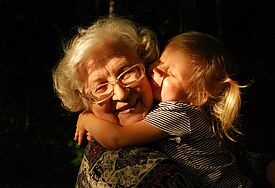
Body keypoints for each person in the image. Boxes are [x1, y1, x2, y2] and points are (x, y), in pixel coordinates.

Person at [75, 31, 252, 187]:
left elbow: (116, 138)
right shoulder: (177, 110)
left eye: (171, 74)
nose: (158, 70)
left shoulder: (178, 114)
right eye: (161, 61)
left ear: (197, 97)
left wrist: (87, 119)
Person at [52, 16, 198, 187]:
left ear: (145, 66)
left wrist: (87, 119)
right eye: (101, 88)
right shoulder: (122, 166)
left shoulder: (180, 109)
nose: (121, 94)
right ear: (83, 101)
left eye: (127, 73)